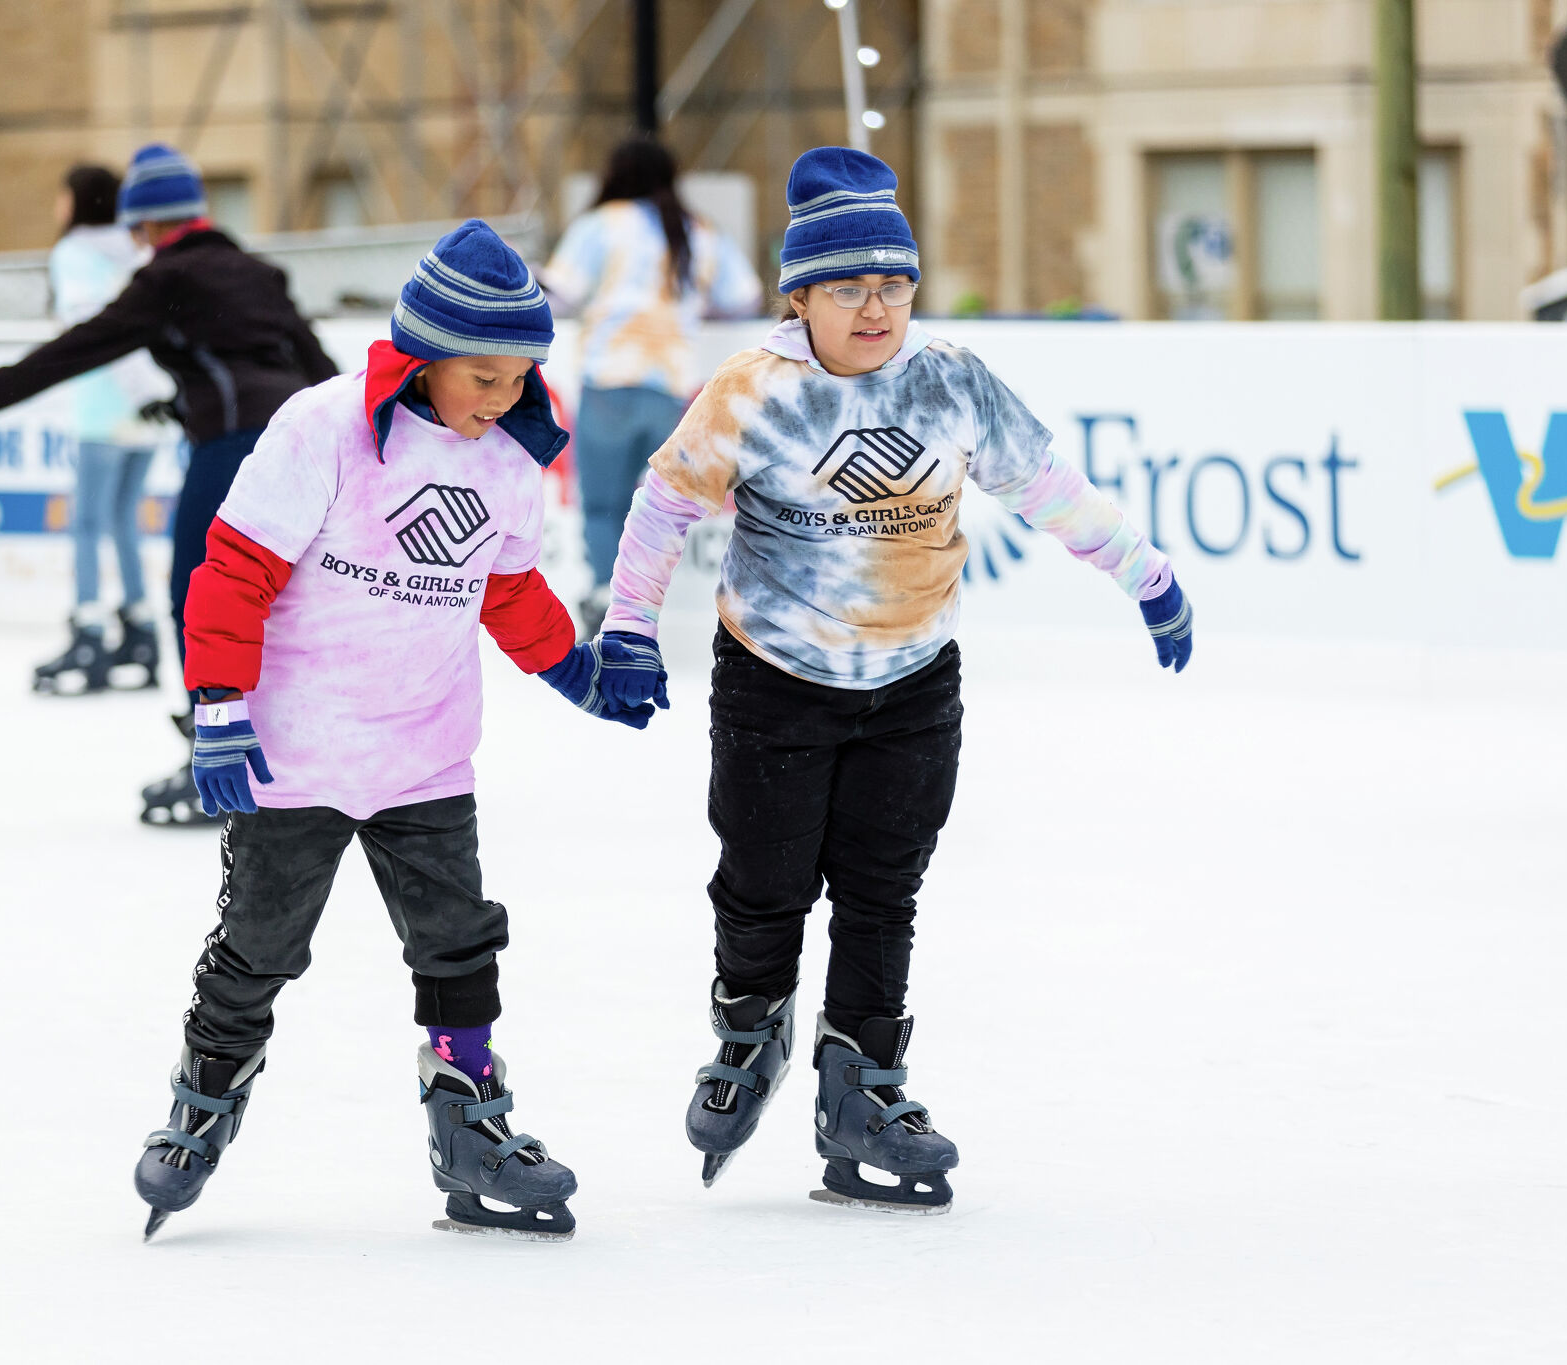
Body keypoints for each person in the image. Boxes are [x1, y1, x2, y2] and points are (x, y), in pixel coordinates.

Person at [597, 147, 1192, 1213]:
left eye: (894, 283)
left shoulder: (950, 381)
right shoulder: (752, 392)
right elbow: (661, 505)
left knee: (883, 890)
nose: (875, 307)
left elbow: (1047, 488)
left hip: (914, 679)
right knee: (765, 877)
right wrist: (630, 628)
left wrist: (1141, 574)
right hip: (776, 677)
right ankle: (747, 1030)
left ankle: (864, 1082)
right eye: (848, 286)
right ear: (801, 294)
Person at [127, 220, 663, 1243]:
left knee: (457, 943)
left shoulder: (507, 457)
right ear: (420, 355)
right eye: (484, 376)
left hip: (424, 750)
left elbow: (505, 588)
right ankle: (200, 1102)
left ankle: (468, 1122)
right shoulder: (323, 427)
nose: (504, 399)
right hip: (296, 749)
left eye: (520, 378)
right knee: (257, 946)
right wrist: (220, 707)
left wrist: (576, 674)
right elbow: (233, 574)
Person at [0, 144, 338, 821]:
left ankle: (225, 756)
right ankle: (298, 746)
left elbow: (72, 350)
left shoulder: (165, 280)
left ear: (142, 226)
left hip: (234, 452)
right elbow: (315, 366)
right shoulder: (259, 272)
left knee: (198, 600)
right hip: (307, 446)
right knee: (290, 603)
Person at [542, 136, 762, 635]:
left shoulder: (601, 224)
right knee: (658, 508)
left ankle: (604, 596)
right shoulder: (698, 232)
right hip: (671, 391)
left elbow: (562, 292)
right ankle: (643, 604)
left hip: (610, 381)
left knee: (602, 503)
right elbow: (746, 296)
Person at [34, 164, 171, 695]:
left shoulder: (73, 254)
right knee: (123, 521)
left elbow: (92, 328)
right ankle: (140, 629)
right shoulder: (138, 248)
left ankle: (88, 628)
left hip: (104, 406)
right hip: (149, 406)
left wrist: (134, 390)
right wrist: (152, 394)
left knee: (89, 522)